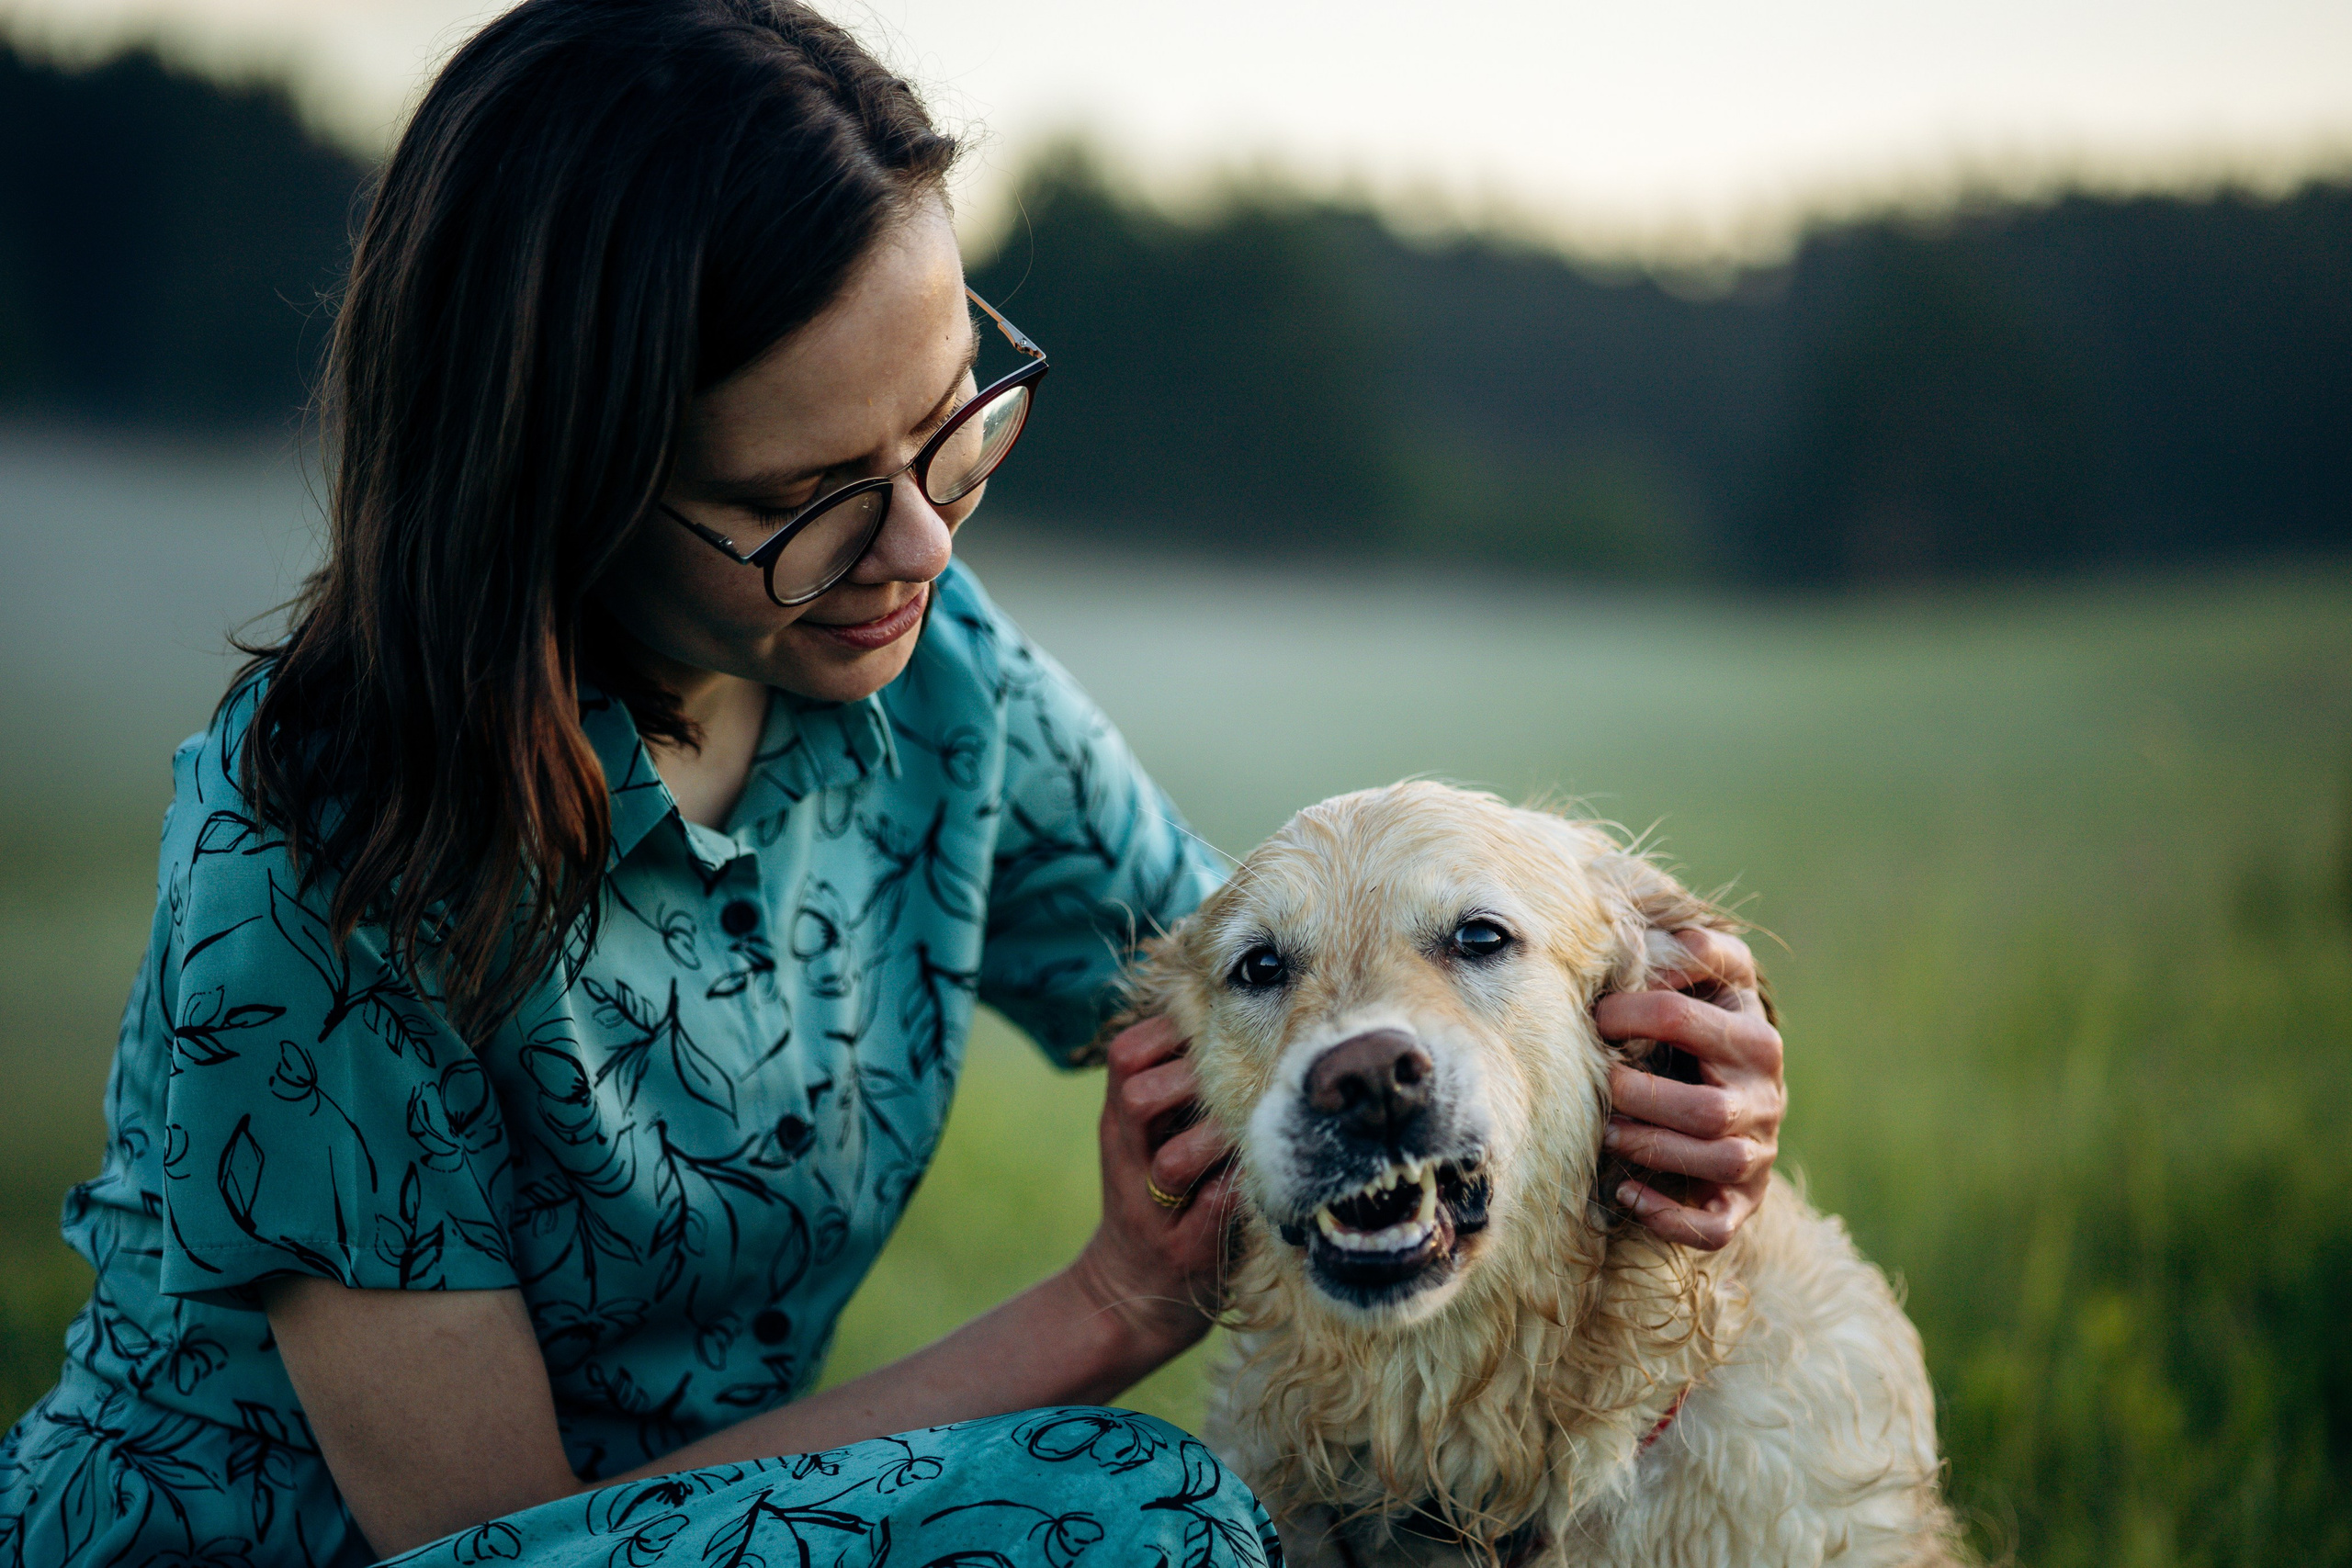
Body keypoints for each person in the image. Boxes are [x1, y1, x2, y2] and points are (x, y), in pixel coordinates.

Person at [0, 2, 1787, 1563]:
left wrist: (1660, 1048)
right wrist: (1101, 1308)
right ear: (557, 474)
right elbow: (500, 1543)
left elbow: (1262, 1000)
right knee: (1127, 1522)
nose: (920, 540)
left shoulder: (926, 670)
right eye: (807, 494)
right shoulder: (312, 861)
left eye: (951, 418)